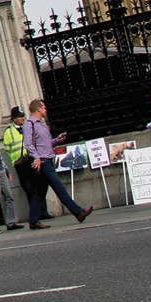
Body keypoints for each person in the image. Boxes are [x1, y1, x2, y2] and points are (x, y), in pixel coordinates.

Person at [21, 98, 93, 228]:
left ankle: (33, 220)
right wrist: (36, 157)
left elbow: (46, 143)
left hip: (48, 159)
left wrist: (56, 140)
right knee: (59, 187)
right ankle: (79, 212)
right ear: (38, 109)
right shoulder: (29, 124)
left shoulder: (42, 124)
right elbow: (29, 144)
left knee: (39, 192)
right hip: (42, 162)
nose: (45, 110)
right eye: (43, 108)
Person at [0, 106, 39, 228]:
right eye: (20, 117)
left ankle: (42, 212)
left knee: (37, 186)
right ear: (14, 119)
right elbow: (7, 148)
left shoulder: (28, 127)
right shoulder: (8, 132)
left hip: (31, 159)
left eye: (23, 116)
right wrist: (14, 160)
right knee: (27, 188)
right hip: (20, 163)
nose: (23, 118)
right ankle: (34, 214)